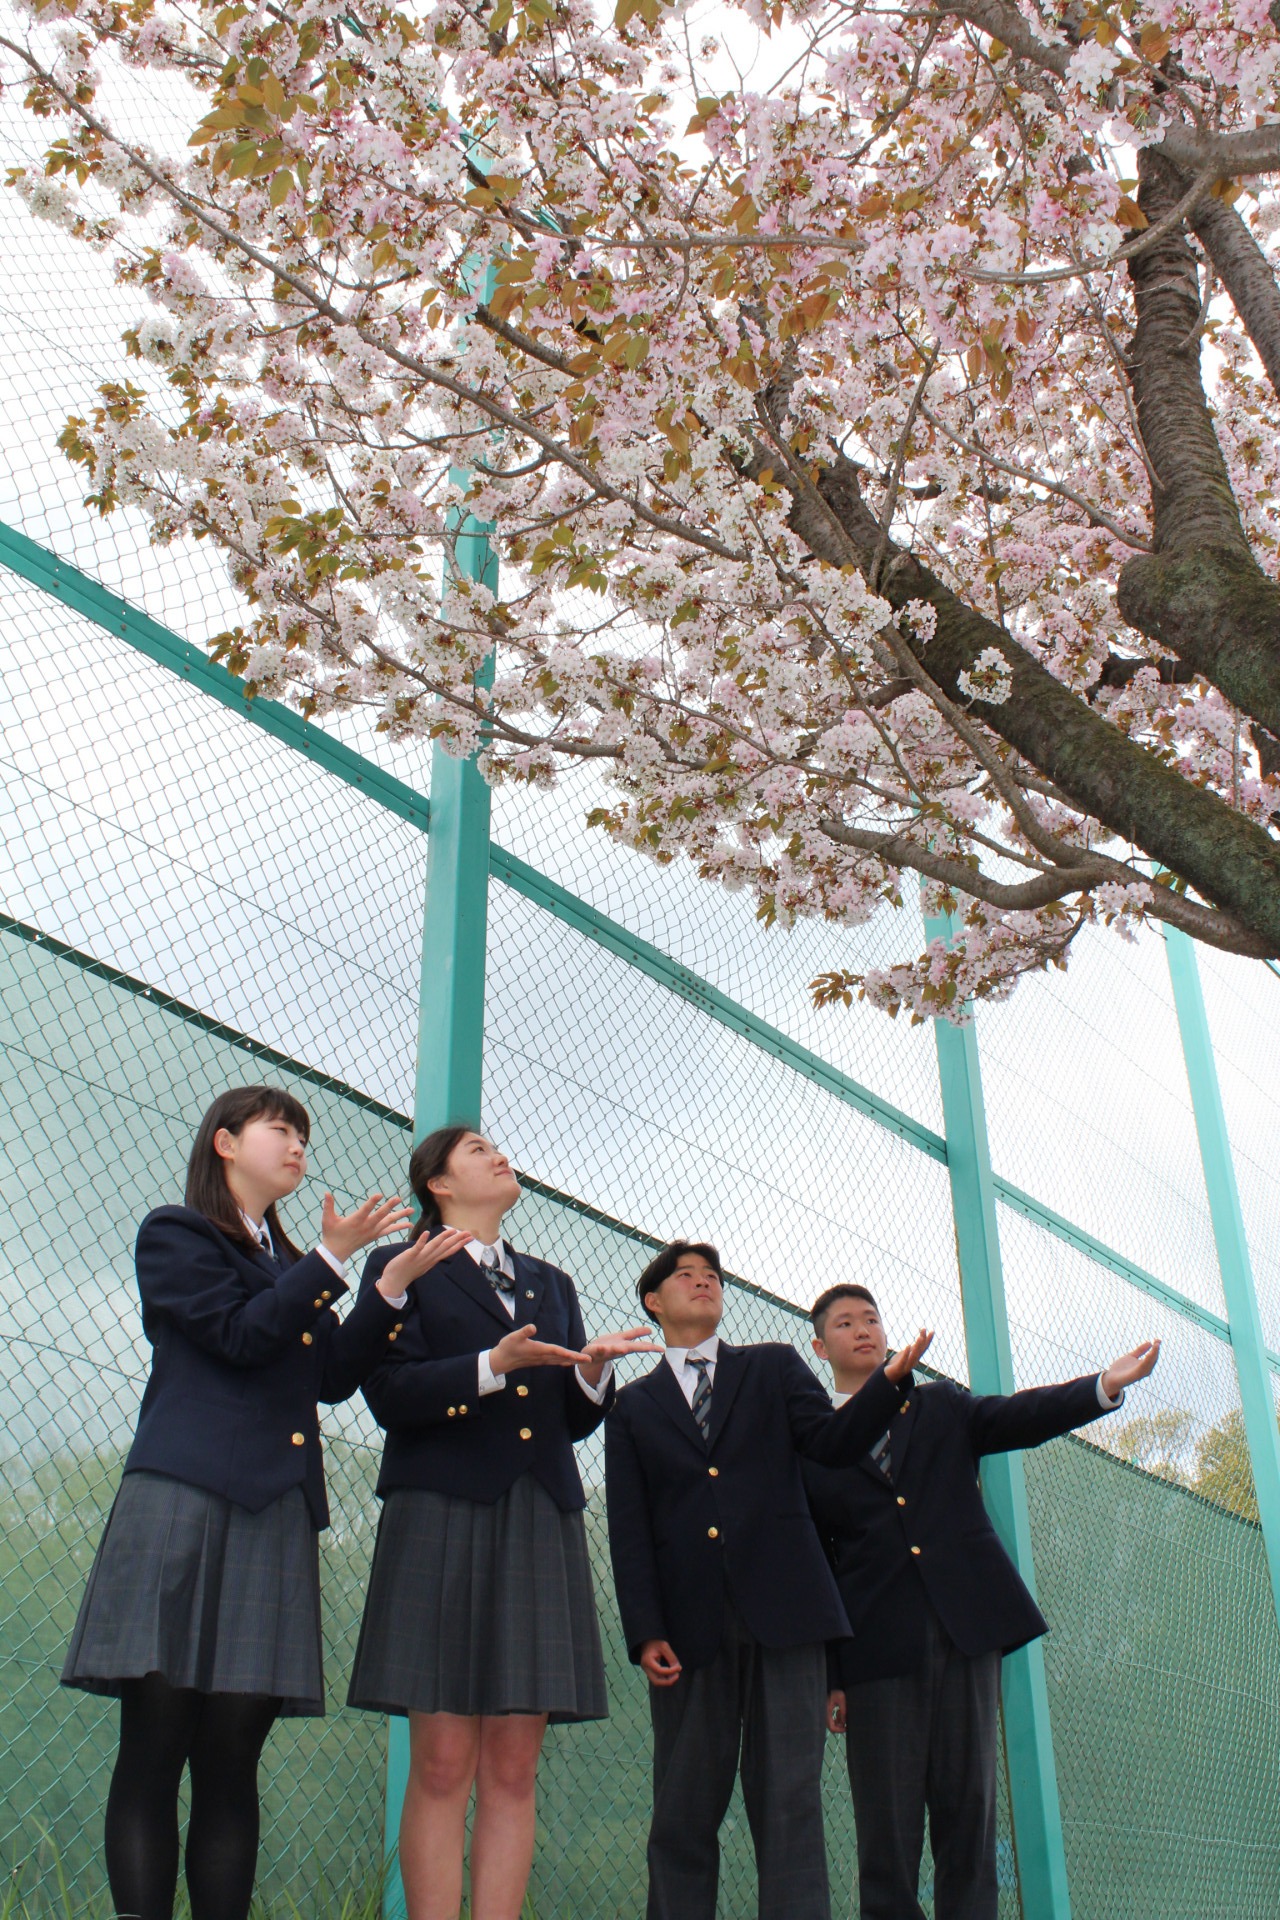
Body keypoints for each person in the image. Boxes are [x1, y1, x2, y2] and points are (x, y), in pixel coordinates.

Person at [62, 1083, 467, 1920]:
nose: (297, 1148)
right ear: (223, 1142)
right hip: (181, 1499)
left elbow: (325, 1379)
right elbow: (240, 1337)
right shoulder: (175, 1234)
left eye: (302, 1136)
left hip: (275, 1509)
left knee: (232, 1753)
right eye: (280, 1130)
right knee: (155, 1742)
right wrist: (329, 1262)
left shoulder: (293, 1266)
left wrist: (385, 1288)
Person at [348, 1126, 659, 1920]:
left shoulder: (549, 1283)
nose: (499, 1155)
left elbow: (571, 1419)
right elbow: (384, 1391)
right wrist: (493, 1367)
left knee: (516, 1764)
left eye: (499, 1148)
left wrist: (592, 1374)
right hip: (440, 1508)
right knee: (445, 1760)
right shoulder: (403, 1266)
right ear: (438, 1184)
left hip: (539, 1512)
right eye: (477, 1149)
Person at [803, 1282, 1161, 1920]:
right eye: (844, 1323)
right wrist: (833, 1674)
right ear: (819, 1344)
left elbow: (1018, 1417)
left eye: (871, 1318)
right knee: (886, 1838)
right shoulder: (817, 1444)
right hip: (876, 1654)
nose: (863, 1329)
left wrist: (1102, 1385)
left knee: (969, 1820)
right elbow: (820, 1567)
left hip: (965, 1634)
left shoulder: (939, 1405)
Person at [604, 1240, 934, 1920]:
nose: (703, 1283)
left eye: (713, 1277)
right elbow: (630, 1529)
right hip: (688, 1631)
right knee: (684, 1811)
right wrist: (645, 1632)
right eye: (685, 1277)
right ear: (653, 1301)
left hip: (789, 1617)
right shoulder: (632, 1407)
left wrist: (887, 1386)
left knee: (790, 1804)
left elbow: (833, 1445)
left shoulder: (773, 1366)